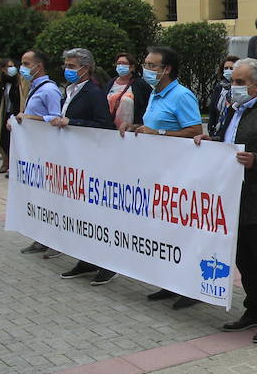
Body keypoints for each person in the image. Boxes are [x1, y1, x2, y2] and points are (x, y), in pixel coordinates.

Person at [192, 57, 257, 343]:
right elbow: (229, 144)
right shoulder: (232, 110)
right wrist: (211, 142)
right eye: (232, 81)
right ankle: (255, 308)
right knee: (243, 258)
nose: (232, 86)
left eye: (239, 82)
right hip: (234, 196)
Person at [121, 45, 206, 309]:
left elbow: (194, 131)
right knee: (164, 233)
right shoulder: (156, 94)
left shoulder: (181, 95)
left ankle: (191, 288)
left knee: (182, 233)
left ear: (166, 69)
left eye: (152, 65)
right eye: (145, 64)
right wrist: (136, 127)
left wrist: (158, 135)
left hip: (178, 176)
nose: (146, 69)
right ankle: (170, 283)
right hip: (156, 175)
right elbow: (154, 126)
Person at [48, 49, 117, 285]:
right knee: (79, 214)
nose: (67, 69)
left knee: (95, 215)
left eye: (71, 65)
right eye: (65, 64)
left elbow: (104, 125)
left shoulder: (93, 93)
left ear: (85, 68)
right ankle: (85, 260)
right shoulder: (70, 91)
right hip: (74, 162)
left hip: (91, 162)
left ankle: (106, 264)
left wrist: (72, 122)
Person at [12, 50, 64, 257]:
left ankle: (56, 242)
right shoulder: (35, 88)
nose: (22, 68)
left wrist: (29, 119)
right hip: (37, 154)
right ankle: (41, 237)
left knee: (52, 200)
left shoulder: (49, 90)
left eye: (26, 63)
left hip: (49, 154)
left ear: (38, 66)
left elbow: (55, 117)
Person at [107, 51, 151, 131]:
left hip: (131, 130)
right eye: (118, 63)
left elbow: (146, 106)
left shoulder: (140, 84)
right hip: (110, 130)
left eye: (124, 63)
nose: (120, 66)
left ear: (132, 67)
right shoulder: (110, 83)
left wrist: (137, 125)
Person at [0, 58, 21, 174]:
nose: (11, 69)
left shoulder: (18, 81)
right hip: (5, 113)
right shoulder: (2, 81)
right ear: (3, 69)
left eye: (12, 66)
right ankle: (8, 161)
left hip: (16, 113)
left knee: (14, 140)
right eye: (8, 67)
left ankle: (14, 166)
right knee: (3, 139)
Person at [206, 55, 239, 140]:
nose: (228, 71)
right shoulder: (219, 88)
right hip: (216, 131)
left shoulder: (239, 90)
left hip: (231, 132)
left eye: (231, 68)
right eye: (226, 68)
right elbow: (213, 110)